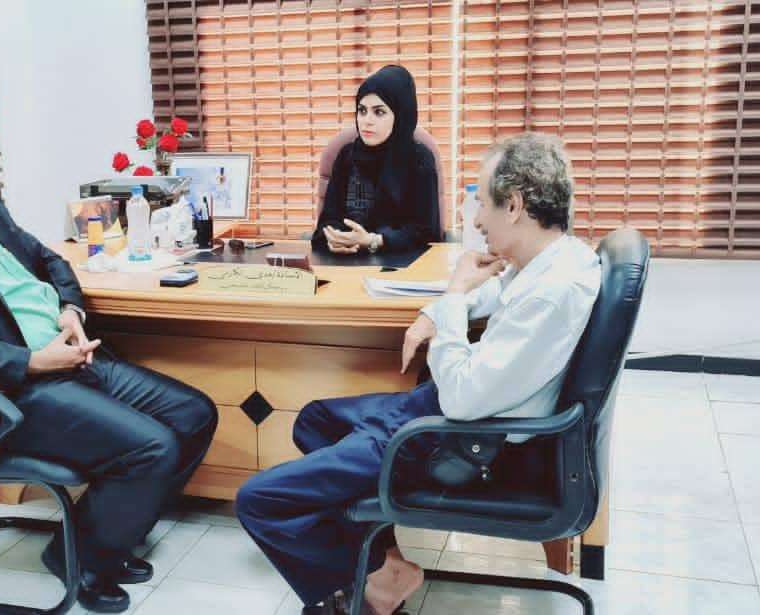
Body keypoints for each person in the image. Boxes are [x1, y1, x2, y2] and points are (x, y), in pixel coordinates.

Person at [0, 104, 217, 614]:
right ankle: (84, 559)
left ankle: (103, 536)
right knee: (151, 448)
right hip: (3, 395)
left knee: (194, 414)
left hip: (65, 361)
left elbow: (50, 260)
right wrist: (31, 362)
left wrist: (70, 310)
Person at [238, 132, 601, 615]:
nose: (477, 219)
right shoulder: (559, 258)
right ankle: (386, 563)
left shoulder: (552, 293)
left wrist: (451, 296)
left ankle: (369, 584)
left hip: (459, 437)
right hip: (451, 414)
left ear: (514, 206)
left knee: (258, 500)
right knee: (315, 420)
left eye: (482, 202)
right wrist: (441, 311)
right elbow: (493, 294)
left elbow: (461, 399)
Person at [311, 65, 442, 255]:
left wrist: (374, 241)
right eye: (362, 110)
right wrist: (333, 239)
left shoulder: (419, 159)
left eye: (379, 112)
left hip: (401, 266)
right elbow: (328, 221)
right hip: (346, 262)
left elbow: (425, 232)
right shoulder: (347, 156)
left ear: (400, 114)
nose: (367, 120)